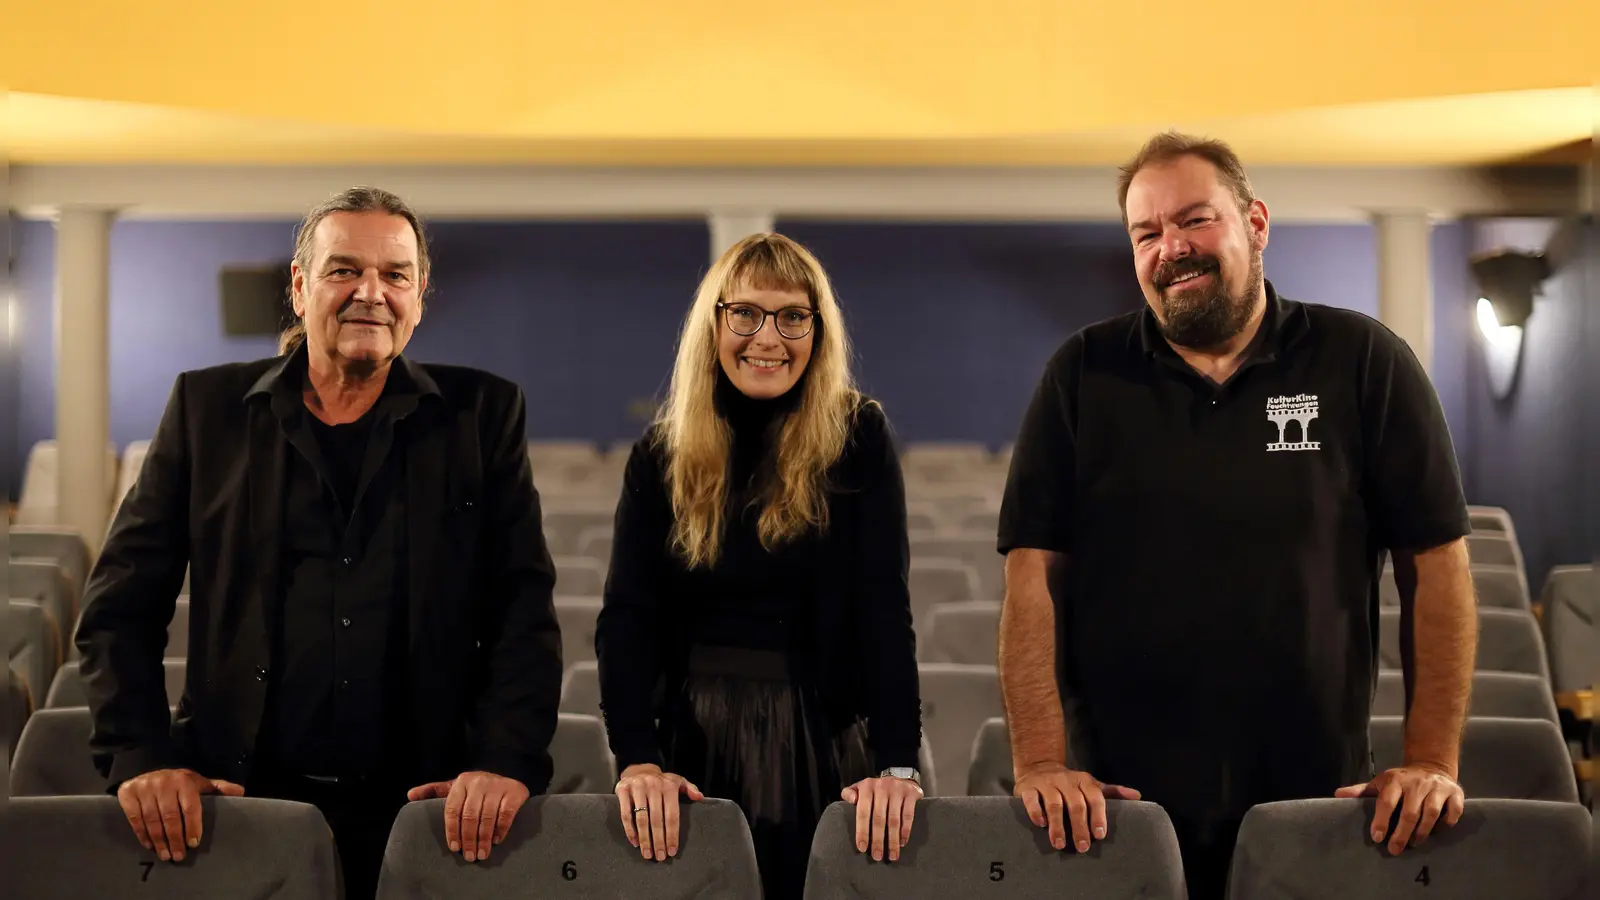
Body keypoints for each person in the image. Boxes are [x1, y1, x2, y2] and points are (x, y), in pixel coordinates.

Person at [996, 132, 1477, 899]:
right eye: (1146, 233)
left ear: (1255, 223)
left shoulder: (1362, 359)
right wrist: (1042, 763)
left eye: (1195, 219)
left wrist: (1430, 760)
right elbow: (1032, 579)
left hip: (1316, 804)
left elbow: (1437, 564)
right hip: (1118, 815)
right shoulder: (1081, 374)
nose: (1171, 248)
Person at [75, 187, 564, 900]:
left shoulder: (482, 416)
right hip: (237, 805)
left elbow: (523, 610)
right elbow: (119, 607)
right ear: (300, 288)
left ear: (419, 297)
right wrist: (140, 757)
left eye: (395, 275)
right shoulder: (207, 411)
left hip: (429, 814)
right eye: (344, 270)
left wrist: (505, 760)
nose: (371, 293)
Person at [596, 233, 924, 899]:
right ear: (714, 324)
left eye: (792, 316)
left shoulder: (857, 437)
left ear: (818, 331)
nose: (767, 338)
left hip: (822, 735)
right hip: (692, 741)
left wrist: (898, 766)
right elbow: (628, 620)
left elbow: (884, 609)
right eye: (745, 313)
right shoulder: (661, 453)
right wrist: (637, 761)